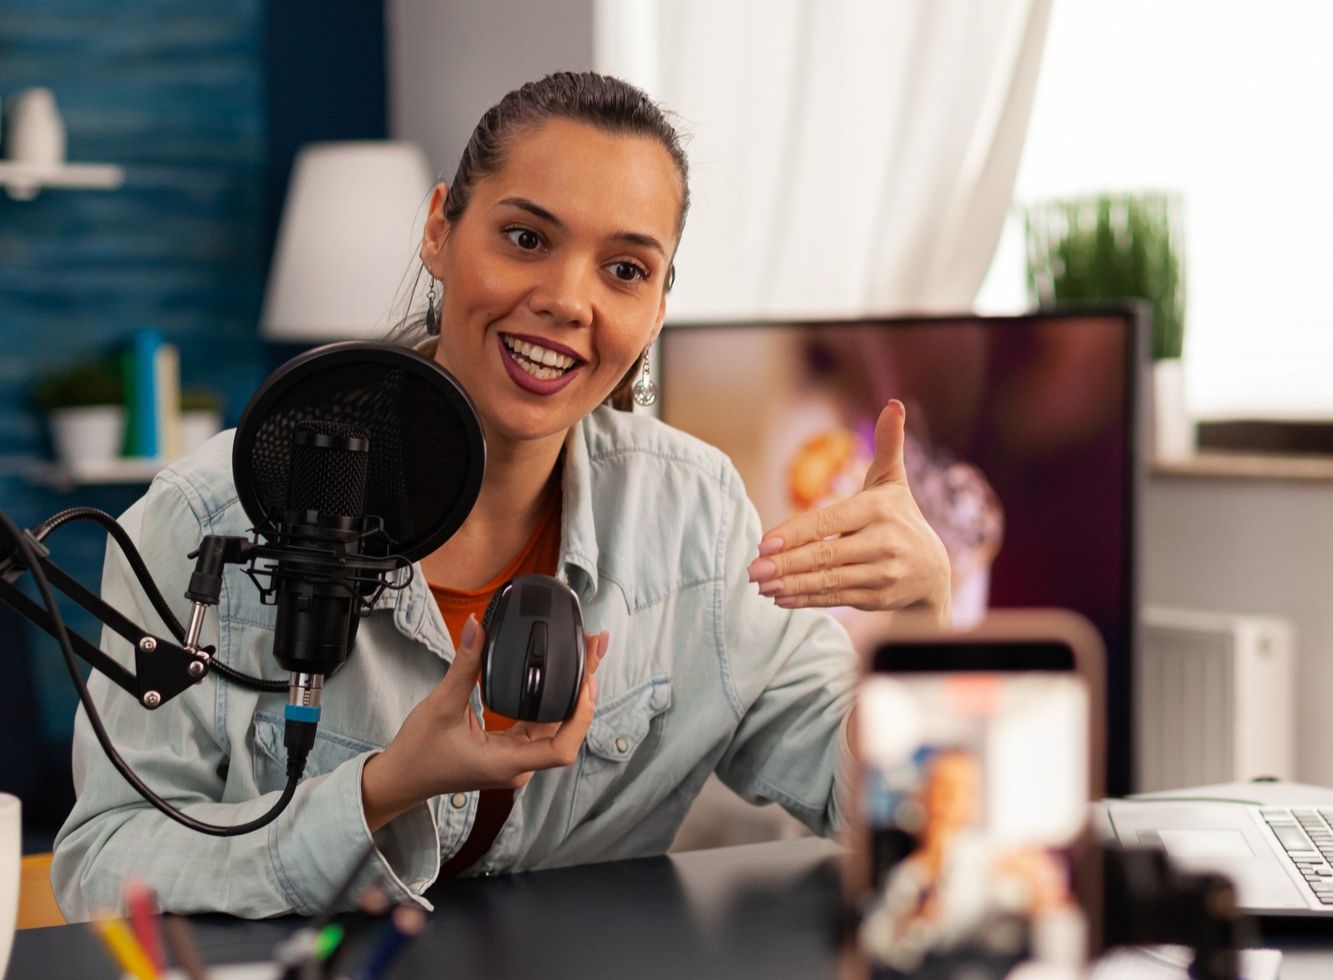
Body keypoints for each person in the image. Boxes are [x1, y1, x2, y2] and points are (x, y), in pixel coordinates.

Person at [52, 71, 951, 920]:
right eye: (526, 239)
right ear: (438, 230)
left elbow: (878, 807)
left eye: (625, 270)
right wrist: (382, 790)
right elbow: (103, 870)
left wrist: (924, 633)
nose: (566, 300)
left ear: (657, 310)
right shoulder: (210, 517)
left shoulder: (696, 514)